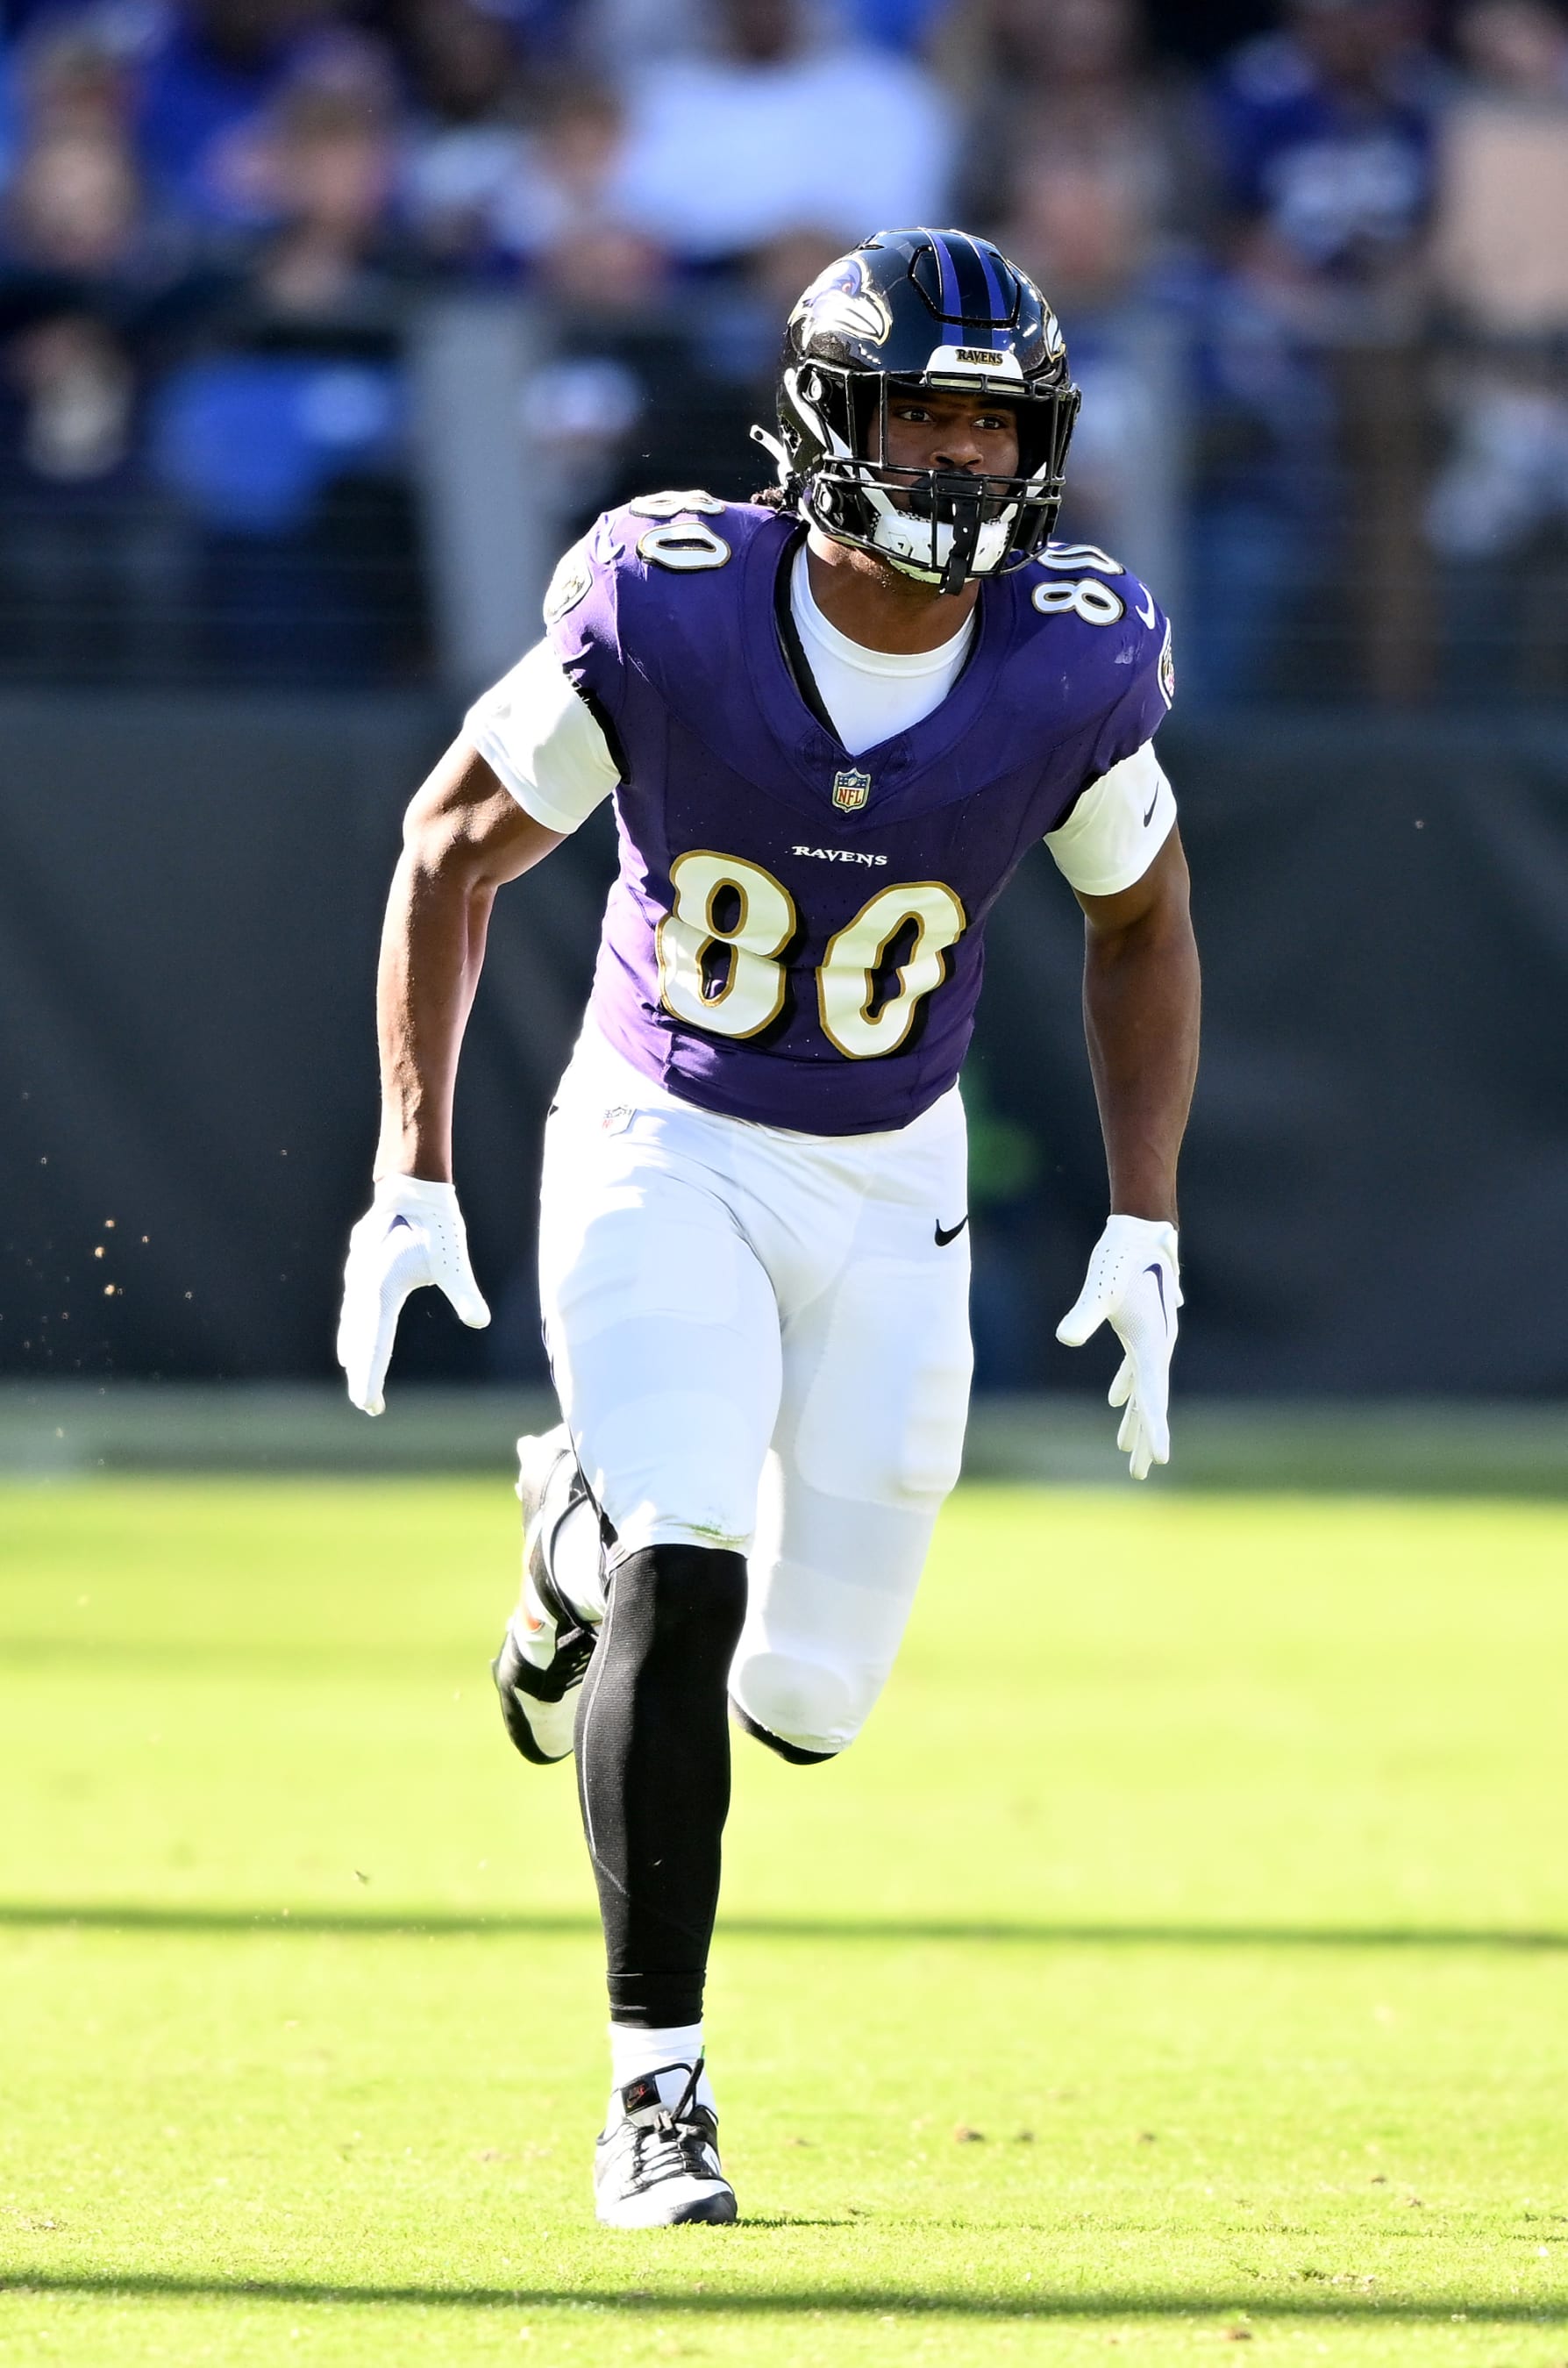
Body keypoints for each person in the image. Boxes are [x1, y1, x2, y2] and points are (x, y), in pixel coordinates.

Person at [335, 226, 1201, 2227]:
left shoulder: (1070, 654)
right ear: (831, 414)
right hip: (670, 1139)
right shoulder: (674, 604)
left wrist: (1145, 1221)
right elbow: (452, 850)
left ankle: (565, 1533)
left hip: (894, 1178)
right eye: (933, 416)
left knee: (806, 1703)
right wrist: (413, 1163)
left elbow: (1142, 913)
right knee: (688, 1558)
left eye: (1004, 427)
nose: (972, 464)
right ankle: (659, 2090)